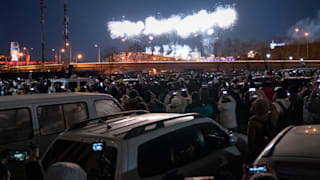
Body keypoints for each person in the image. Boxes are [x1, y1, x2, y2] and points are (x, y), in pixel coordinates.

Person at [246, 98, 271, 164]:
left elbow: (251, 138)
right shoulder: (271, 117)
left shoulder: (253, 121)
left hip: (258, 147)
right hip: (270, 145)